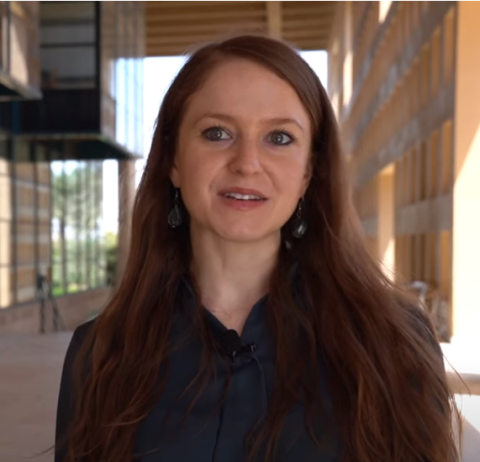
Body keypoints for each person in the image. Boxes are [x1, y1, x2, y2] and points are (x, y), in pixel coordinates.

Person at [54, 35, 460, 462]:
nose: (247, 162)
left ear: (308, 172)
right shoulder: (101, 352)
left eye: (280, 138)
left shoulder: (393, 341)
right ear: (173, 160)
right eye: (217, 133)